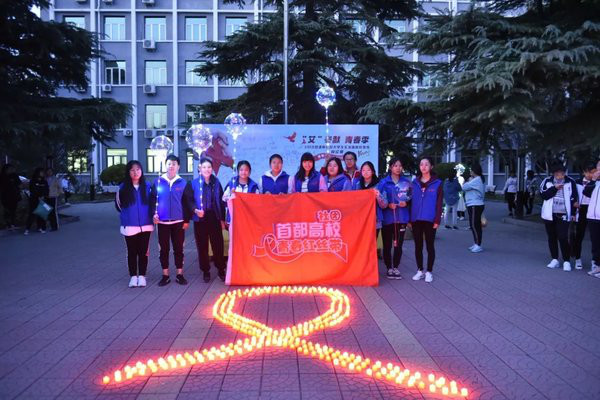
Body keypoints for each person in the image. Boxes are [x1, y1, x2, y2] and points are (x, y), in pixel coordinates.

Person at [115, 161, 155, 288]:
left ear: (141, 171)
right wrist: (128, 216)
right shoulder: (122, 188)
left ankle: (142, 275)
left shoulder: (147, 186)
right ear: (128, 172)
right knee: (132, 251)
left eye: (138, 169)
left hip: (146, 224)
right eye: (132, 170)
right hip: (129, 225)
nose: (135, 172)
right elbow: (118, 205)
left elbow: (153, 203)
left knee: (143, 251)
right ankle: (133, 276)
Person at [153, 155, 191, 286]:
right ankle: (165, 275)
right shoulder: (158, 181)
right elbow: (152, 200)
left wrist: (186, 220)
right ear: (165, 165)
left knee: (179, 249)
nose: (171, 166)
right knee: (163, 249)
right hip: (162, 222)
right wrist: (154, 214)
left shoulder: (183, 183)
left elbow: (187, 203)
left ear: (178, 166)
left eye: (174, 164)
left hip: (178, 222)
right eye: (169, 163)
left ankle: (180, 274)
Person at [187, 158, 227, 283]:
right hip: (200, 218)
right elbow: (189, 200)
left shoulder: (216, 182)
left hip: (214, 216)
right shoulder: (193, 183)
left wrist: (222, 219)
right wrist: (195, 210)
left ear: (212, 169)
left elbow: (221, 201)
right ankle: (205, 270)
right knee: (202, 246)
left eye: (209, 167)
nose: (207, 169)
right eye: (204, 167)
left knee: (218, 244)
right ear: (199, 169)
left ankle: (221, 269)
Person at [540, 163, 578, 271]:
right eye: (557, 174)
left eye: (562, 173)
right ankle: (554, 259)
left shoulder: (570, 181)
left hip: (564, 214)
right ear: (553, 173)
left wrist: (573, 213)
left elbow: (574, 198)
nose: (560, 176)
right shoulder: (547, 181)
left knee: (563, 237)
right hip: (549, 214)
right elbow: (543, 195)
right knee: (552, 237)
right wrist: (554, 188)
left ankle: (566, 261)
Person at [410, 157, 443, 283]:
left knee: (430, 246)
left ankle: (429, 271)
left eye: (426, 164)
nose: (423, 167)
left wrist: (437, 220)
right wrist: (410, 219)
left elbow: (439, 204)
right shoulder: (414, 183)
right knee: (418, 246)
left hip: (430, 219)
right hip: (416, 219)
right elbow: (410, 201)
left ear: (431, 166)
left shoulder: (437, 183)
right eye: (421, 164)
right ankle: (419, 270)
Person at [377, 158, 411, 280]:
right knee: (387, 245)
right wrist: (387, 205)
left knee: (399, 245)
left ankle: (396, 267)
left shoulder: (406, 182)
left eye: (400, 166)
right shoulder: (383, 182)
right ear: (391, 167)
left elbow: (411, 197)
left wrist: (406, 203)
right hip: (387, 218)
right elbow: (378, 198)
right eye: (395, 165)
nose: (398, 168)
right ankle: (388, 268)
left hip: (401, 218)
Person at [352, 162, 387, 259]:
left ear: (373, 171)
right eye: (363, 170)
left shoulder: (380, 185)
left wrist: (378, 196)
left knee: (372, 245)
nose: (366, 172)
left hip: (375, 220)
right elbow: (353, 202)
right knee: (361, 245)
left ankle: (372, 266)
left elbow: (384, 204)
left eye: (368, 170)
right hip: (361, 221)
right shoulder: (357, 184)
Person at [574, 163, 596, 270]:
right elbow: (573, 196)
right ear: (584, 172)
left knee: (594, 237)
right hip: (581, 209)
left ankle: (595, 261)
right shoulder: (577, 182)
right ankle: (577, 259)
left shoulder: (597, 183)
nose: (591, 174)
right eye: (589, 172)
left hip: (593, 209)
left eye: (593, 172)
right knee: (579, 236)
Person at [462, 164, 486, 253]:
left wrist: (468, 180)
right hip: (474, 204)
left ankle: (478, 245)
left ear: (475, 171)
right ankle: (476, 243)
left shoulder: (476, 180)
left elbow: (464, 187)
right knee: (475, 225)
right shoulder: (477, 179)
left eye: (471, 170)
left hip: (474, 205)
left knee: (474, 225)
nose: (470, 171)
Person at [583, 160, 600, 277]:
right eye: (599, 166)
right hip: (592, 217)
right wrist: (593, 180)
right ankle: (597, 266)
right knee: (595, 244)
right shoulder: (595, 182)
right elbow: (586, 192)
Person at [24, 168, 49, 235]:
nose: (43, 173)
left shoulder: (44, 181)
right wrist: (38, 196)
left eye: (43, 172)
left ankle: (41, 228)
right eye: (41, 172)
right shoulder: (33, 180)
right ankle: (27, 229)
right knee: (32, 214)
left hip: (42, 199)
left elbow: (46, 189)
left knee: (42, 214)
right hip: (34, 199)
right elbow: (32, 189)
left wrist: (43, 196)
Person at [0, 164, 22, 230]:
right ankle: (8, 224)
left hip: (14, 195)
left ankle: (12, 224)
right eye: (9, 169)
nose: (11, 170)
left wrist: (18, 188)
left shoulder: (14, 175)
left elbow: (19, 184)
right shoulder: (2, 176)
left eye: (11, 169)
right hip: (5, 196)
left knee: (13, 210)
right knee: (7, 210)